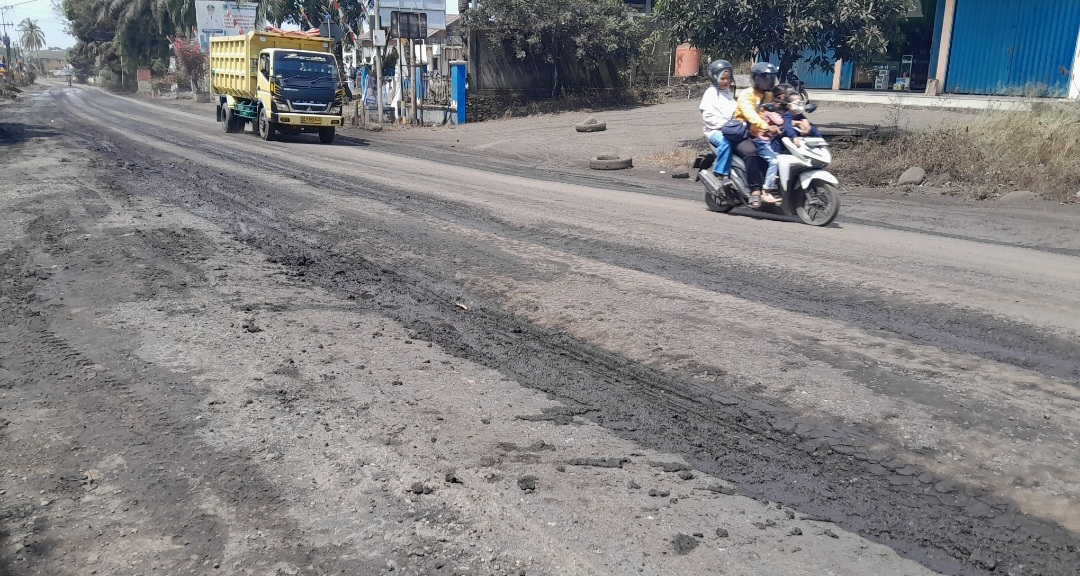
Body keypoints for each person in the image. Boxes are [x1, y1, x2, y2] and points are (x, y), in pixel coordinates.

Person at [734, 62, 781, 207]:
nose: (768, 81)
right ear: (755, 79)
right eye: (764, 78)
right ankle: (755, 190)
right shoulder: (746, 95)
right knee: (751, 152)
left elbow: (779, 107)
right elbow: (751, 115)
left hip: (762, 135)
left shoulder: (769, 95)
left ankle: (774, 187)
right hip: (744, 135)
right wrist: (767, 126)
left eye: (770, 78)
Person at [699, 59, 738, 188]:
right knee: (726, 143)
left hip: (731, 130)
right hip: (714, 131)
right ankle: (722, 174)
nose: (726, 81)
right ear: (715, 78)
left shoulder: (728, 93)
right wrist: (725, 124)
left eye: (728, 78)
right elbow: (708, 118)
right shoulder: (710, 94)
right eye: (723, 78)